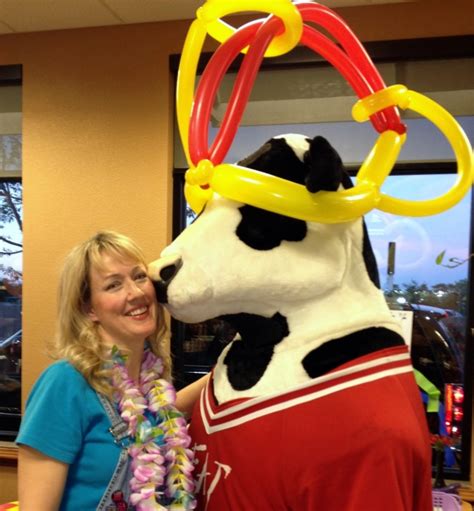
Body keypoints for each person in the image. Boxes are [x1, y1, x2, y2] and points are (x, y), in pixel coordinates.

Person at [16, 230, 208, 511]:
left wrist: (225, 371)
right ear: (88, 309)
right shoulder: (65, 382)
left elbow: (159, 418)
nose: (136, 293)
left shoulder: (150, 385)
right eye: (114, 285)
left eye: (139, 276)